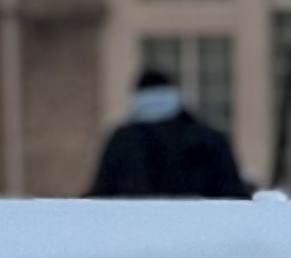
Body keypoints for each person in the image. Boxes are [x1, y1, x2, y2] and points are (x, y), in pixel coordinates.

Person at [87, 76, 251, 200]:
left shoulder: (123, 140)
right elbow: (234, 194)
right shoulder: (210, 139)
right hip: (201, 231)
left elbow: (102, 194)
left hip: (138, 230)